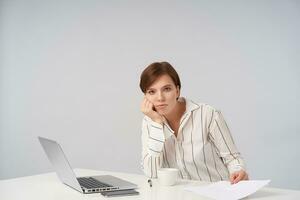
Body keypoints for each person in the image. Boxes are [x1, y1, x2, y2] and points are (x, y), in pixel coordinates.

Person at [139, 61, 249, 184]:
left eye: (167, 89)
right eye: (151, 92)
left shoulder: (208, 114)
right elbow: (152, 173)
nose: (160, 98)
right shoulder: (150, 122)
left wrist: (238, 171)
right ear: (145, 96)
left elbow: (233, 159)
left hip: (217, 193)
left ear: (177, 90)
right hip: (181, 195)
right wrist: (157, 123)